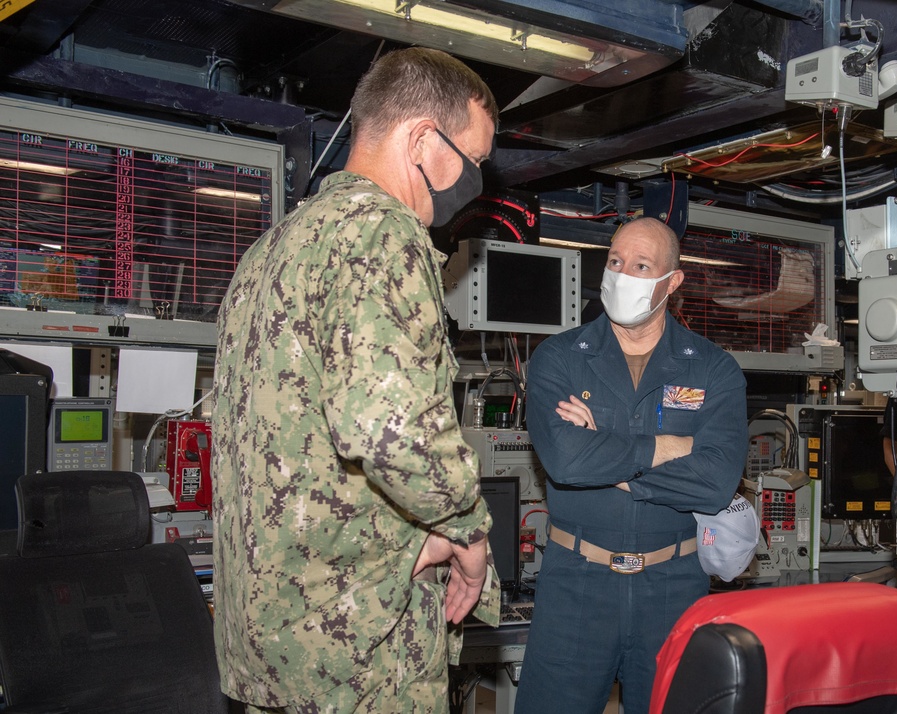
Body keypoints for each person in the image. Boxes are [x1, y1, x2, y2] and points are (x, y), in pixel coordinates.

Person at [211, 47, 501, 714]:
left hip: (272, 647)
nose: (475, 183)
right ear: (424, 140)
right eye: (474, 161)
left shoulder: (273, 249)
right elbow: (391, 430)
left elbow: (307, 456)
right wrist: (469, 533)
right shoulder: (382, 233)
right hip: (359, 659)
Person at [515, 217, 749, 714]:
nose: (623, 275)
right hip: (576, 585)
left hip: (673, 587)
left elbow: (716, 482)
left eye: (642, 266)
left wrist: (606, 452)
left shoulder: (711, 367)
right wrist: (669, 448)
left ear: (672, 282)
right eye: (616, 262)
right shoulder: (559, 358)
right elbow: (566, 460)